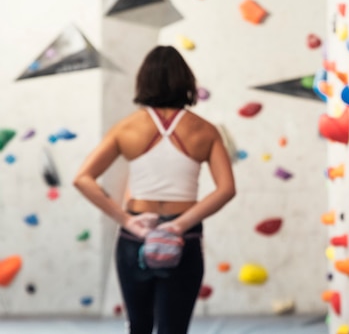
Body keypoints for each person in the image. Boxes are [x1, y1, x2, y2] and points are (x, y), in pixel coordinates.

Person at [73, 45, 236, 334]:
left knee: (139, 326)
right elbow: (226, 189)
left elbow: (83, 178)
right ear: (186, 81)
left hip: (136, 232)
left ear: (143, 81)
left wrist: (127, 222)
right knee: (174, 329)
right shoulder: (205, 130)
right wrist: (180, 225)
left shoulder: (126, 128)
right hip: (185, 235)